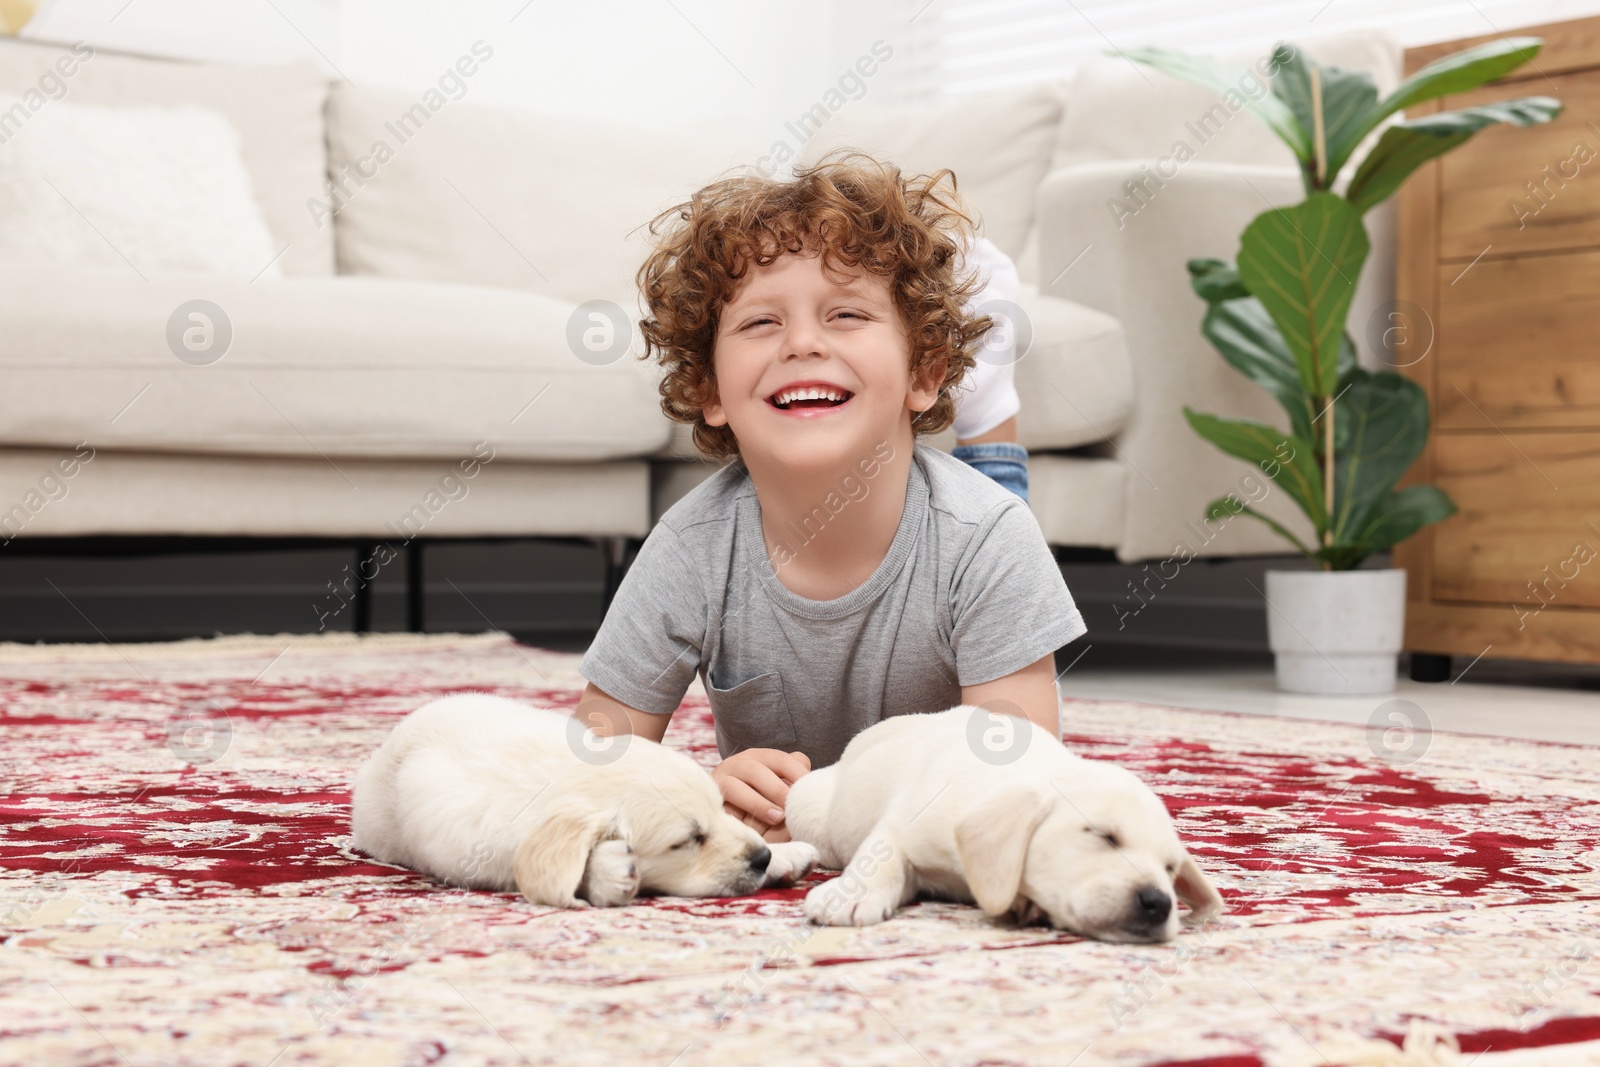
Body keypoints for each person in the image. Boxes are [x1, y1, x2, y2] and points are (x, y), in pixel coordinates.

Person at [577, 151, 1086, 841]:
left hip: (955, 516)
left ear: (926, 373)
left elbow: (1021, 782)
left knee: (996, 488)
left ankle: (988, 394)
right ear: (709, 391)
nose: (803, 342)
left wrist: (841, 807)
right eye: (760, 323)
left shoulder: (992, 537)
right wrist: (699, 793)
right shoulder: (688, 548)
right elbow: (589, 768)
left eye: (846, 312)